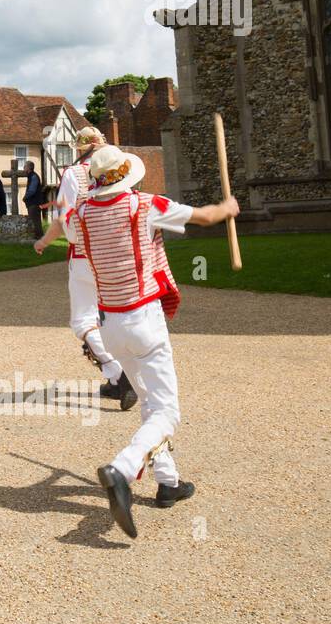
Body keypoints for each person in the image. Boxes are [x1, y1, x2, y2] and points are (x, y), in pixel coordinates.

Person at [71, 144, 239, 540]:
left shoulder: (80, 215)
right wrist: (228, 207)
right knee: (167, 412)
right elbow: (205, 216)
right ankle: (123, 469)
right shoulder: (146, 206)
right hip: (144, 318)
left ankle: (168, 482)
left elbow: (67, 220)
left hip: (110, 323)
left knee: (149, 402)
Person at [33, 126, 136, 409]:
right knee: (111, 317)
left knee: (83, 320)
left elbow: (62, 216)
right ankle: (117, 381)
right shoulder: (123, 169)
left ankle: (118, 373)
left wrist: (43, 241)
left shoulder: (73, 173)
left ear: (81, 149)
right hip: (117, 254)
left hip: (85, 254)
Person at [23, 160, 45, 239]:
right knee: (35, 220)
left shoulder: (33, 177)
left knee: (35, 221)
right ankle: (38, 237)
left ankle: (39, 237)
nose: (23, 169)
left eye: (24, 167)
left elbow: (32, 190)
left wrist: (25, 197)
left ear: (28, 168)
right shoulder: (31, 176)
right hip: (33, 202)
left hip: (34, 203)